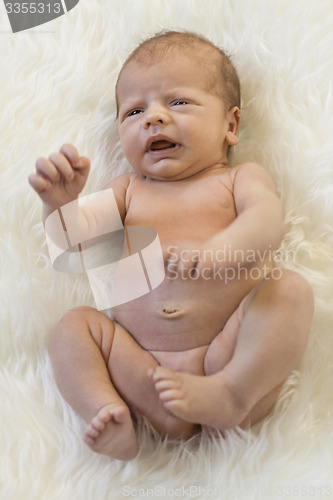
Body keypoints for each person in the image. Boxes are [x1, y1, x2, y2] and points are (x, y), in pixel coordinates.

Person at [29, 31, 314, 461]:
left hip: (227, 353)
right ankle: (106, 412)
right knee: (73, 326)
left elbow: (266, 221)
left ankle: (232, 393)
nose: (153, 118)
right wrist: (59, 204)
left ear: (230, 125)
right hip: (143, 370)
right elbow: (78, 250)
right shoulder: (127, 190)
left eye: (178, 102)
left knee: (290, 290)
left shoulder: (237, 179)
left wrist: (221, 250)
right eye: (134, 110)